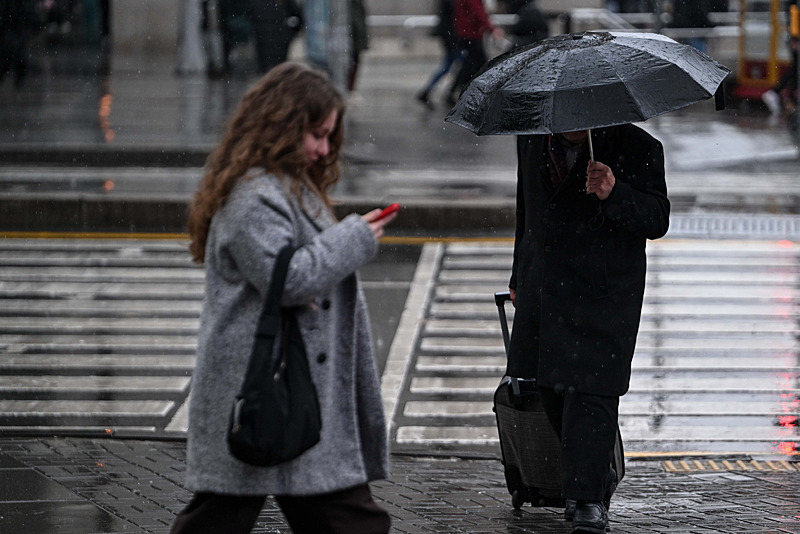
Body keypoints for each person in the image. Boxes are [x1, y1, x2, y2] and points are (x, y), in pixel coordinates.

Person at [172, 63, 396, 534]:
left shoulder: (289, 186)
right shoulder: (254, 195)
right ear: (280, 125)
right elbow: (289, 277)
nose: (321, 150)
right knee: (229, 516)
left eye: (328, 137)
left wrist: (351, 235)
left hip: (290, 387)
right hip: (266, 385)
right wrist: (354, 236)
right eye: (316, 134)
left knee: (332, 518)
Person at [507, 125, 670, 534]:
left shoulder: (638, 146)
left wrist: (615, 193)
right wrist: (518, 274)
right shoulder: (532, 141)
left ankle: (587, 503)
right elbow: (525, 210)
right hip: (547, 289)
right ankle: (596, 472)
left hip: (604, 296)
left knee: (591, 394)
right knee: (549, 390)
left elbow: (657, 217)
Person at [449, 0, 504, 105]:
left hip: (467, 33)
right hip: (471, 34)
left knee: (470, 63)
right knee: (478, 64)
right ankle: (478, 91)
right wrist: (492, 28)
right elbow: (478, 13)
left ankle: (458, 90)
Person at [416, 0, 461, 109]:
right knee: (457, 65)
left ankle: (432, 91)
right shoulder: (450, 5)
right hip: (452, 37)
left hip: (450, 36)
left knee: (450, 65)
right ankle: (449, 91)